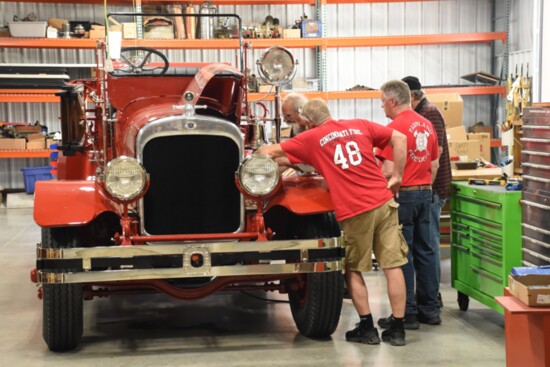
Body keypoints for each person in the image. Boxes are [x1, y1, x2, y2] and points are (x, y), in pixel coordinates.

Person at [258, 98, 409, 346]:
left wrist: (257, 159)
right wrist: (398, 176)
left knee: (353, 269)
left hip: (355, 210)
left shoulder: (311, 138)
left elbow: (269, 152)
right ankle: (399, 329)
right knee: (392, 266)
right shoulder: (360, 124)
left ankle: (367, 328)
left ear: (306, 122)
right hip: (384, 202)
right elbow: (400, 139)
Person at [376, 80, 441, 330]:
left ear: (393, 101)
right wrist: (423, 187)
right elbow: (433, 164)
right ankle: (430, 310)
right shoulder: (426, 124)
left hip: (403, 196)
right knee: (427, 252)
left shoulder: (393, 129)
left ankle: (408, 313)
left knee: (401, 254)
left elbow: (389, 170)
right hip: (426, 194)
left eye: (382, 100)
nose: (381, 105)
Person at [402, 76, 451, 307]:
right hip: (425, 188)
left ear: (412, 95)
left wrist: (425, 186)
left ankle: (431, 299)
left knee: (427, 246)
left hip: (430, 189)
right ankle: (428, 300)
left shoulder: (428, 112)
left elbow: (436, 154)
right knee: (425, 247)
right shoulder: (422, 112)